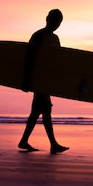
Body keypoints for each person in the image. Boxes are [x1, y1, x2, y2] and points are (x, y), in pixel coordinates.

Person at [18, 9, 69, 154]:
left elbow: (57, 61)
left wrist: (57, 81)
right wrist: (26, 80)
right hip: (37, 79)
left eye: (59, 22)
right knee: (45, 109)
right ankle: (52, 144)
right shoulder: (38, 36)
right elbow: (29, 59)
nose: (56, 24)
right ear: (47, 19)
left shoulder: (55, 39)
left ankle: (25, 141)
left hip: (46, 80)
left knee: (39, 111)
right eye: (54, 21)